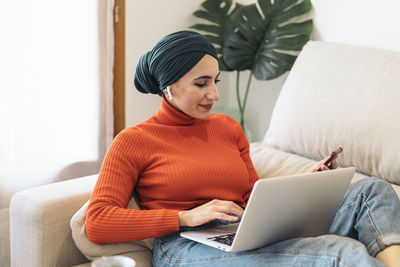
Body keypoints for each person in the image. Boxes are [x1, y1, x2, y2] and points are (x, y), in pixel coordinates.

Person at [86, 30, 400, 267]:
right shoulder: (134, 140)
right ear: (168, 86)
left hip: (245, 229)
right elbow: (98, 222)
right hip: (184, 247)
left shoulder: (227, 127)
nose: (214, 94)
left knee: (371, 190)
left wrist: (306, 186)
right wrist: (185, 216)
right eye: (201, 83)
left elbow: (251, 195)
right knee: (341, 253)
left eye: (216, 82)